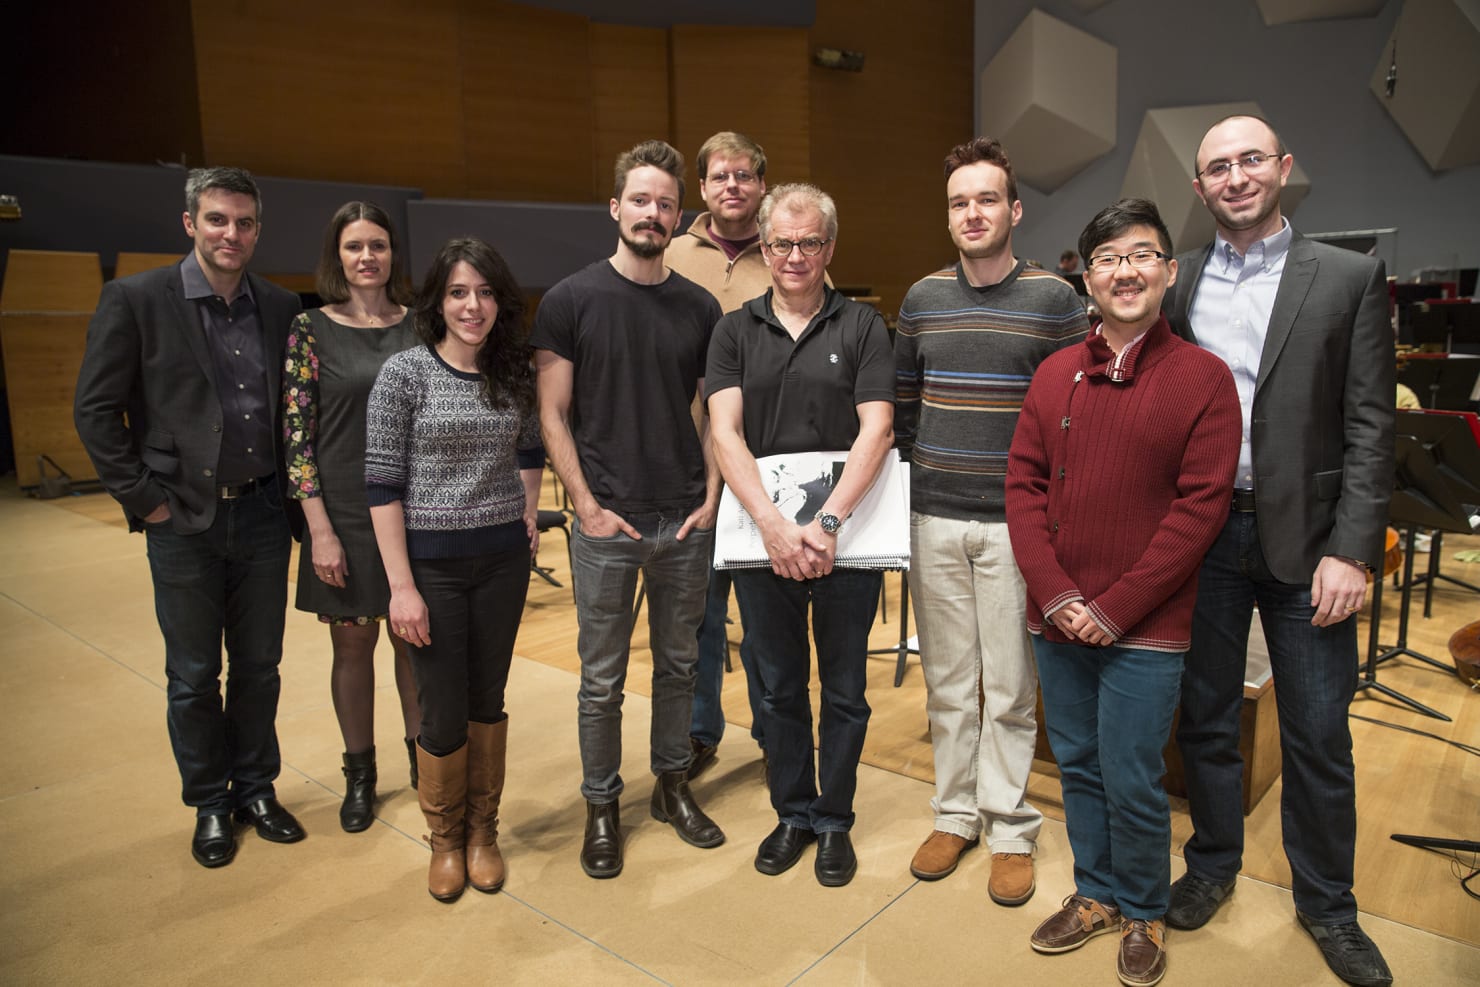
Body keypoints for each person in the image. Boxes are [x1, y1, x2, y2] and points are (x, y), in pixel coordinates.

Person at [1165, 114, 1395, 987]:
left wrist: (1355, 550)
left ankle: (1329, 905)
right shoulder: (1177, 281)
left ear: (1283, 168)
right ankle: (1214, 862)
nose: (1234, 177)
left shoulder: (1349, 276)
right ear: (1199, 187)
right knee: (1209, 720)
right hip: (1205, 532)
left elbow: (1374, 423)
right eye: (1217, 167)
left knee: (1317, 732)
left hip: (1312, 542)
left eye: (1250, 160)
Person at [1005, 198, 1241, 987]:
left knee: (1133, 770)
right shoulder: (1053, 373)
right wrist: (1058, 594)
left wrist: (1114, 607)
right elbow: (1022, 487)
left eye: (1142, 254)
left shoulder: (1203, 378)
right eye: (1107, 257)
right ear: (1087, 277)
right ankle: (1097, 892)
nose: (1125, 270)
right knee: (1074, 761)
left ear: (1169, 272)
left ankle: (1143, 907)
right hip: (1059, 614)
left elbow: (1200, 507)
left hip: (1145, 623)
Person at [74, 166, 305, 868]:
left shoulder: (280, 305)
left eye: (243, 222)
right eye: (216, 219)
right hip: (184, 522)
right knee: (194, 673)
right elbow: (95, 410)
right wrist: (146, 499)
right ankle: (210, 800)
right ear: (189, 223)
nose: (230, 233)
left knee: (260, 667)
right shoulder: (136, 299)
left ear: (258, 230)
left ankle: (257, 786)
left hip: (264, 511)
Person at [893, 137, 1088, 902]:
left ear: (1013, 209)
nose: (972, 214)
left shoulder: (1053, 300)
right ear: (949, 216)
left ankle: (1010, 825)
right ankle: (954, 813)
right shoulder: (922, 299)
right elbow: (905, 403)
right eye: (958, 203)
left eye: (985, 200)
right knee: (948, 682)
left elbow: (1075, 414)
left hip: (1018, 525)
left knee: (1008, 687)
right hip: (934, 517)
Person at [531, 139, 726, 880]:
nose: (653, 212)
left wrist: (711, 494)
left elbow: (713, 410)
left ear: (679, 218)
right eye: (640, 199)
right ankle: (602, 804)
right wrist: (583, 504)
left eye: (666, 204)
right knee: (602, 678)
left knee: (678, 666)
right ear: (616, 207)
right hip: (607, 522)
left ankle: (672, 785)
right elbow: (552, 414)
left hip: (682, 518)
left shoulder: (699, 306)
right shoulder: (570, 300)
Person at [708, 183, 894, 888]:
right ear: (762, 245)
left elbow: (877, 428)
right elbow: (725, 432)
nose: (794, 256)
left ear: (830, 248)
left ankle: (835, 819)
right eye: (781, 242)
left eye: (809, 242)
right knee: (779, 687)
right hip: (765, 541)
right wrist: (773, 527)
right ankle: (793, 811)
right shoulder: (733, 330)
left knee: (845, 688)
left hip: (843, 539)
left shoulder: (864, 326)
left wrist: (825, 524)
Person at [365, 237, 543, 902]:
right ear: (438, 300)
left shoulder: (512, 372)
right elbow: (381, 486)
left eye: (486, 292)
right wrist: (401, 586)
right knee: (440, 708)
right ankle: (443, 838)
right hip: (431, 568)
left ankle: (482, 833)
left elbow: (530, 449)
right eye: (460, 292)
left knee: (486, 700)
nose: (474, 305)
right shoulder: (404, 374)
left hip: (502, 563)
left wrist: (526, 511)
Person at [282, 201, 422, 833]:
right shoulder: (310, 328)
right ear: (336, 256)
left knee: (414, 644)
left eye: (378, 245)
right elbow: (296, 437)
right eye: (353, 246)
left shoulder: (422, 326)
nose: (367, 257)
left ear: (393, 254)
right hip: (342, 509)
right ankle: (360, 776)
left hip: (418, 510)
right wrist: (319, 531)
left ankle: (426, 766)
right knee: (354, 644)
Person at [663, 130, 772, 779]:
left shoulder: (789, 249)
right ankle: (701, 730)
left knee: (765, 617)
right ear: (701, 188)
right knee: (696, 614)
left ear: (761, 184)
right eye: (720, 176)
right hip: (686, 465)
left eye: (745, 175)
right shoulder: (671, 255)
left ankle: (773, 726)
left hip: (767, 466)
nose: (733, 185)